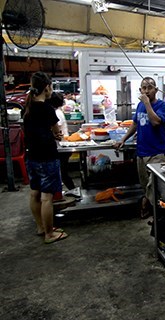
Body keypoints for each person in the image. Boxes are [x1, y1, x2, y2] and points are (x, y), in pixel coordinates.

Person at [23, 72, 69, 244]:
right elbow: (57, 132)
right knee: (47, 197)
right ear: (47, 87)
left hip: (31, 156)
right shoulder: (47, 109)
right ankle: (50, 234)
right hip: (47, 157)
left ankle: (41, 227)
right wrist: (55, 135)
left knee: (34, 193)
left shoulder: (28, 108)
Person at [115, 77, 165, 218]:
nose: (146, 91)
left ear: (156, 90)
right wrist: (123, 139)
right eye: (144, 88)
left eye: (150, 87)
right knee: (146, 186)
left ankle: (157, 217)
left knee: (156, 187)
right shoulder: (139, 106)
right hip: (142, 152)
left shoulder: (162, 106)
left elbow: (156, 122)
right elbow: (134, 124)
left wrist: (147, 104)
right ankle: (151, 210)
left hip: (157, 153)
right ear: (140, 90)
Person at [47, 92, 78, 193]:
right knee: (63, 173)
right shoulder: (57, 112)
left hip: (62, 146)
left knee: (63, 173)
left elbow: (57, 130)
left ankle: (74, 192)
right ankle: (72, 191)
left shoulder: (56, 113)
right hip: (62, 145)